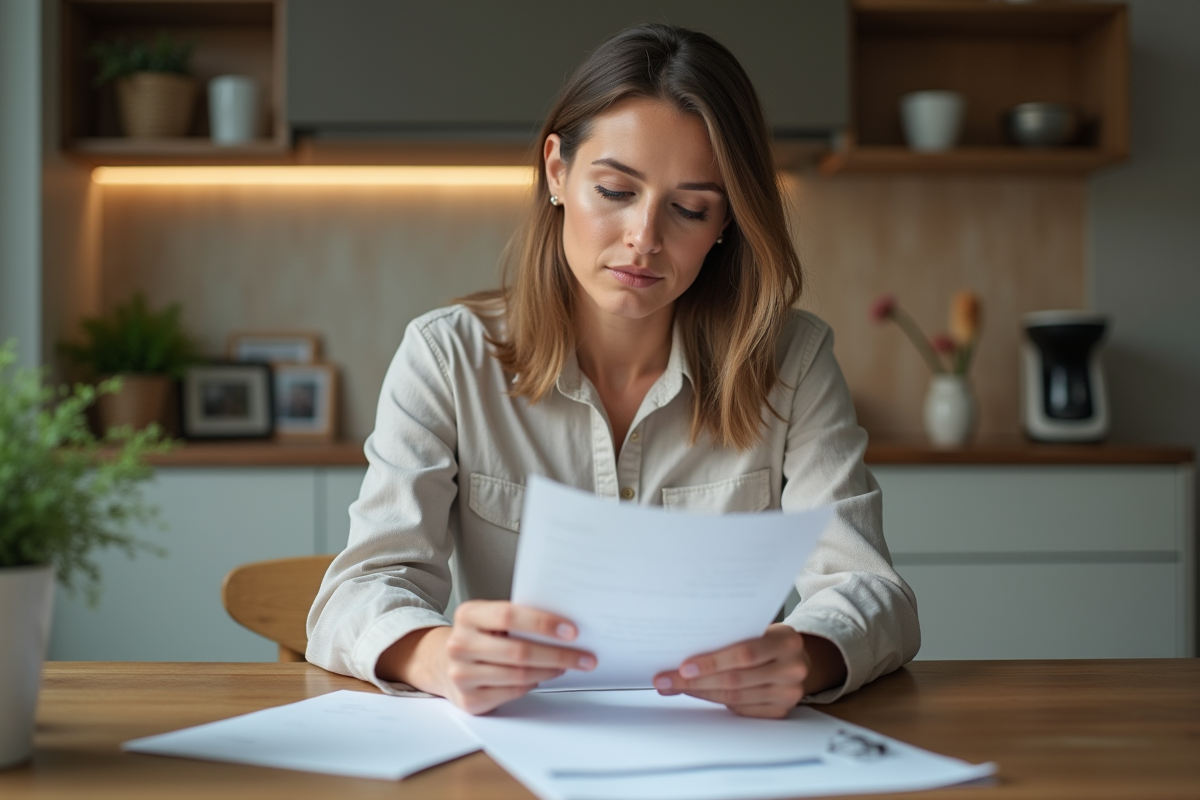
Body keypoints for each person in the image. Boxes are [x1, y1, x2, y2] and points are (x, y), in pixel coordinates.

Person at [306, 23, 919, 718]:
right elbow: (354, 595)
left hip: (724, 749)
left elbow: (875, 594)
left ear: (726, 225)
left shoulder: (793, 361)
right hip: (517, 745)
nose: (645, 240)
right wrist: (436, 654)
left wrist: (806, 655)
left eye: (690, 209)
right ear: (557, 173)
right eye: (616, 191)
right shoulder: (446, 358)